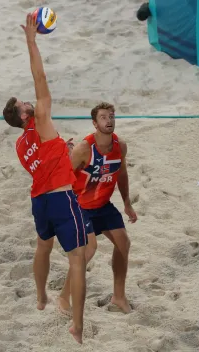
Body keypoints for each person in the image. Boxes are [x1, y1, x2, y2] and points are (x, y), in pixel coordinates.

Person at [1, 13, 90, 344]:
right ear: (26, 114)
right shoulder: (40, 118)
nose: (31, 100)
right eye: (26, 103)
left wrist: (61, 151)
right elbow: (40, 76)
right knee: (79, 257)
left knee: (43, 246)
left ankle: (40, 298)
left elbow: (44, 165)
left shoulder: (20, 143)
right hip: (62, 199)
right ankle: (77, 325)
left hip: (39, 201)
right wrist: (31, 41)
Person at [61, 102, 137, 314]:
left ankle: (119, 297)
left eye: (111, 116)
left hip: (102, 205)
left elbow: (121, 173)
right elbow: (64, 177)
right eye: (103, 117)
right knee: (89, 249)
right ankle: (63, 298)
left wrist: (127, 203)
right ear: (95, 123)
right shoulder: (84, 149)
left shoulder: (120, 145)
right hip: (80, 205)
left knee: (123, 243)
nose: (109, 120)